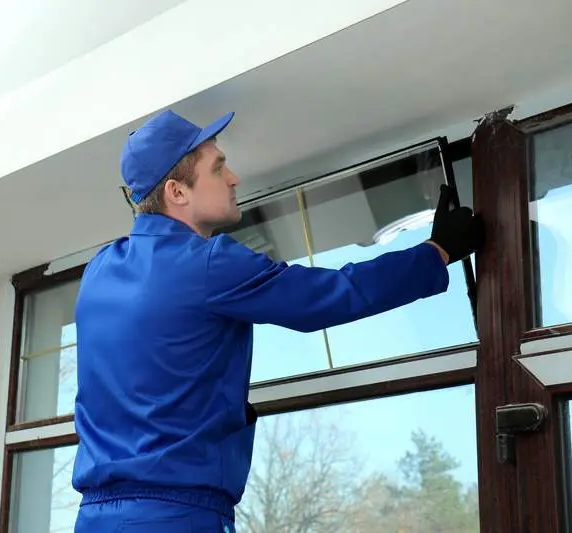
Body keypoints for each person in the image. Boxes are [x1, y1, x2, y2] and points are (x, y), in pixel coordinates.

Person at [71, 110, 484, 532]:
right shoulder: (208, 263)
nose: (232, 178)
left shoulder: (98, 271)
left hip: (95, 518)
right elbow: (330, 296)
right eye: (218, 168)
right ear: (177, 192)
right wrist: (437, 252)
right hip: (174, 518)